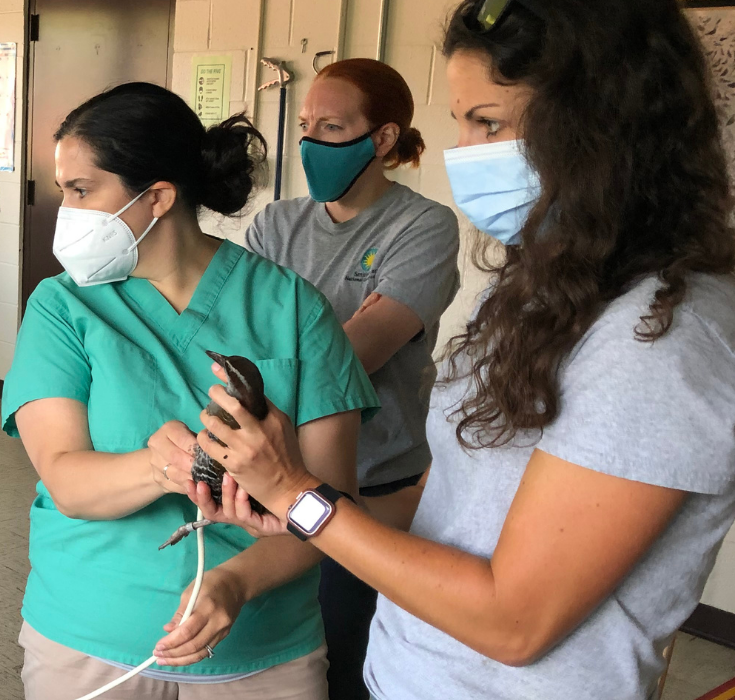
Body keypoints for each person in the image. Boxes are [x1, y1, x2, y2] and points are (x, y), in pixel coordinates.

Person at [185, 1, 735, 699]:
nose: (467, 152)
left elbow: (514, 622)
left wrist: (299, 493)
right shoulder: (539, 292)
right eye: (462, 122)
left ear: (602, 128)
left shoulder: (662, 338)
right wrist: (278, 534)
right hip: (409, 672)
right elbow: (437, 501)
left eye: (490, 123)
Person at [1, 82, 379, 700]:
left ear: (157, 198)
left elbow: (335, 508)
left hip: (262, 647)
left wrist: (234, 583)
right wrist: (160, 467)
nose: (65, 210)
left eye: (80, 190)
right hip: (91, 636)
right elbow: (66, 479)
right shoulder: (62, 306)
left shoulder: (292, 309)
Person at [242, 58, 459, 700]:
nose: (311, 143)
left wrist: (291, 348)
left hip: (372, 490)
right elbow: (241, 352)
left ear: (383, 138)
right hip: (273, 475)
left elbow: (350, 361)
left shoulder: (423, 226)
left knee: (344, 662)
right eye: (306, 125)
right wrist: (325, 340)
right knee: (271, 657)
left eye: (332, 127)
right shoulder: (275, 224)